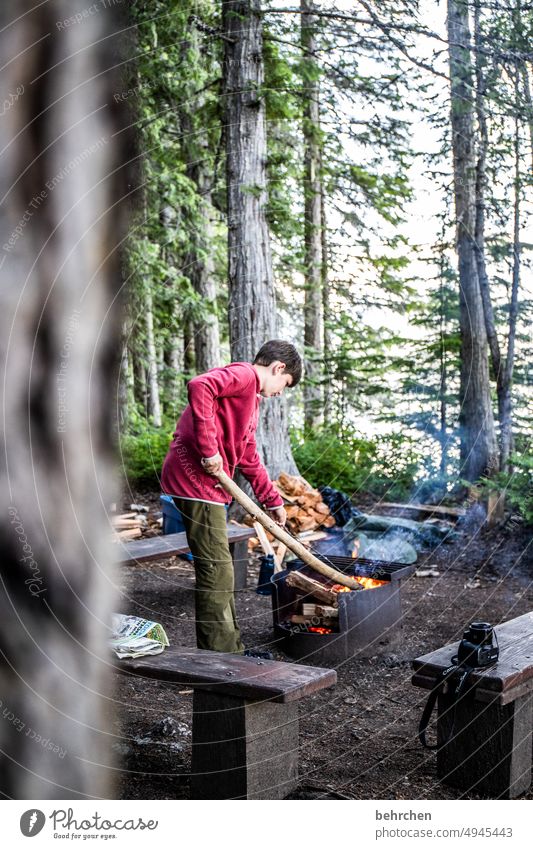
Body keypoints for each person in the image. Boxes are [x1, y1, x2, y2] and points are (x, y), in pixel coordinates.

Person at [161, 339, 302, 654]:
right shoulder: (244, 375)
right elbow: (200, 386)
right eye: (286, 383)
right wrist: (210, 451)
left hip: (209, 488)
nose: (281, 391)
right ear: (278, 368)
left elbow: (248, 453)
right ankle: (221, 656)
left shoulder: (252, 399)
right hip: (194, 481)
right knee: (217, 569)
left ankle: (231, 647)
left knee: (221, 569)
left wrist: (273, 501)